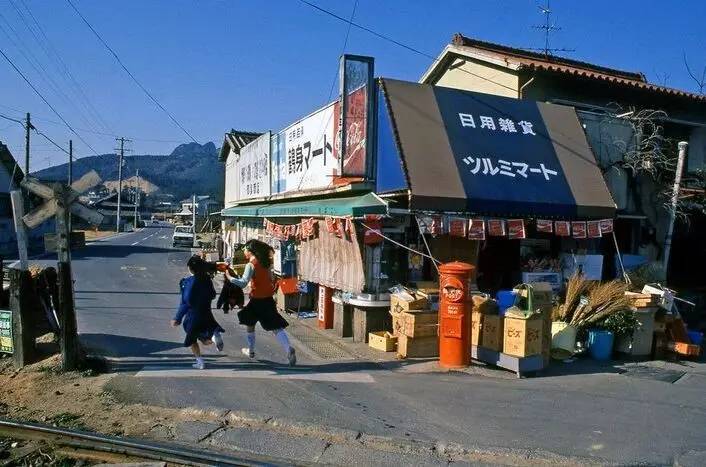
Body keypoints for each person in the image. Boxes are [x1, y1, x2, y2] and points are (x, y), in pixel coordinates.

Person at [225, 239, 296, 366]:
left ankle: (251, 350)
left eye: (245, 249)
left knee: (249, 323)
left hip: (256, 300)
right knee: (275, 326)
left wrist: (230, 278)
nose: (244, 252)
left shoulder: (251, 265)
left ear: (250, 251)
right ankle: (288, 349)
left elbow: (243, 283)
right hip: (268, 299)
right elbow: (270, 279)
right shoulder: (266, 262)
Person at [172, 255, 225, 369]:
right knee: (203, 331)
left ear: (190, 269)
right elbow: (212, 295)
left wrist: (177, 318)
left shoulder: (187, 282)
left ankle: (200, 362)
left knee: (191, 337)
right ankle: (213, 337)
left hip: (193, 315)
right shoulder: (207, 280)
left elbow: (185, 302)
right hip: (206, 312)